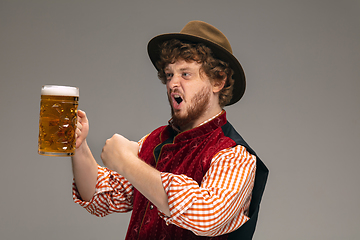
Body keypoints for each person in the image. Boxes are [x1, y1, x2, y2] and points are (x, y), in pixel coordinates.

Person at [72, 20, 269, 240]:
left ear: (218, 81)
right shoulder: (154, 141)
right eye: (169, 75)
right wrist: (79, 147)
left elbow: (206, 215)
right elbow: (102, 198)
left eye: (185, 74)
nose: (173, 83)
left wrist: (128, 163)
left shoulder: (234, 156)